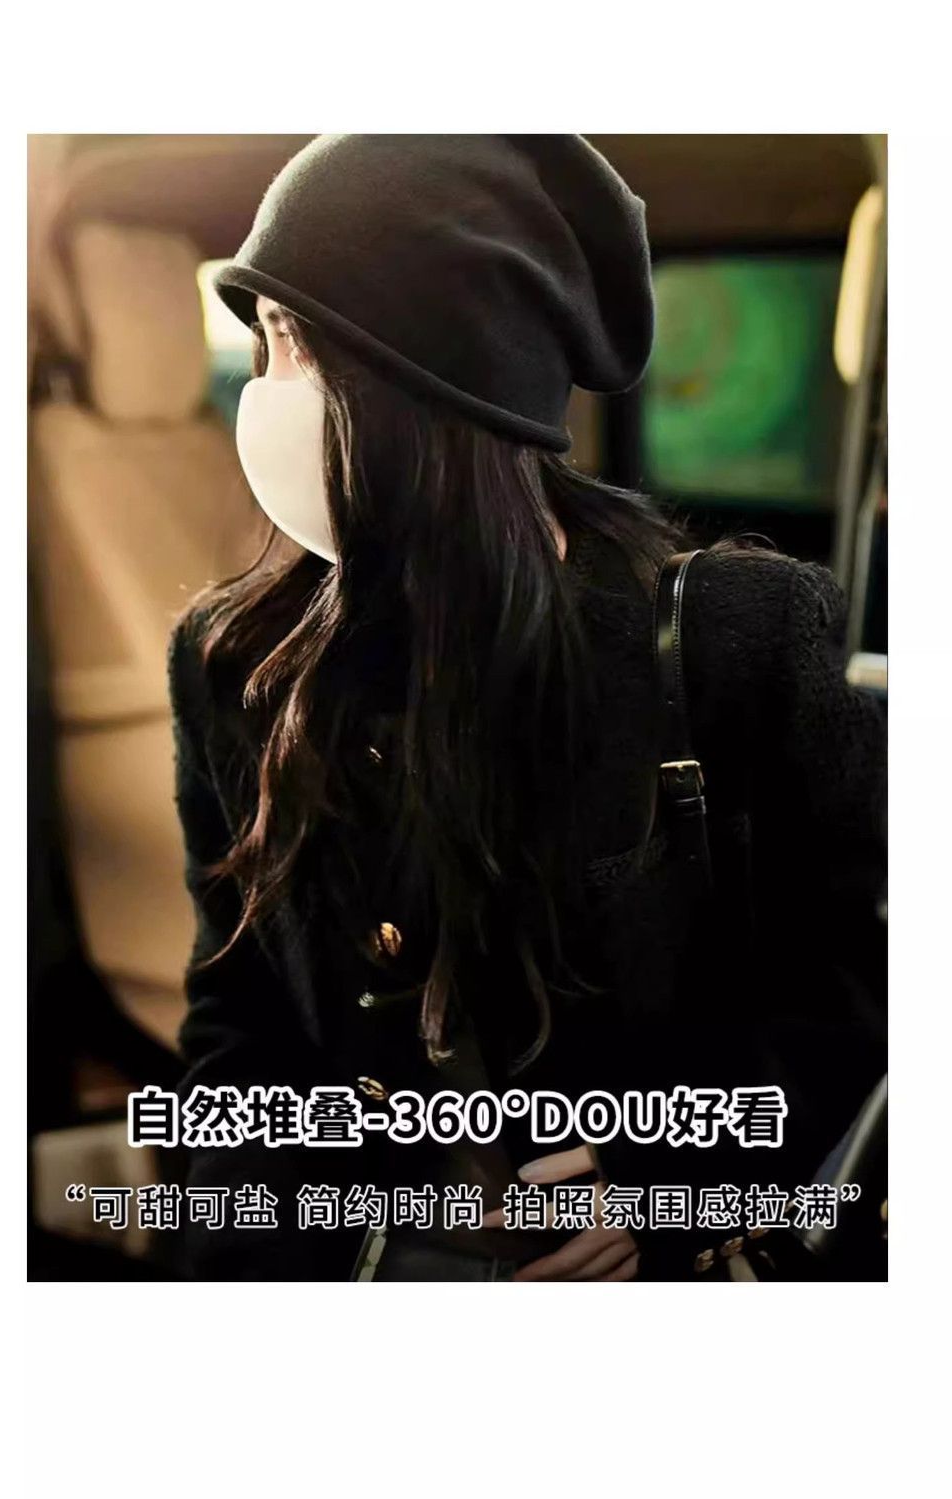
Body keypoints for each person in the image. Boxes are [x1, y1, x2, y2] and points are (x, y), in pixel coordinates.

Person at [169, 134, 886, 1281]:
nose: (265, 388)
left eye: (296, 342)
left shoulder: (735, 636)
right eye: (264, 339)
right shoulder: (235, 660)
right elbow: (236, 1018)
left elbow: (860, 991)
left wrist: (665, 1184)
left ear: (428, 377)